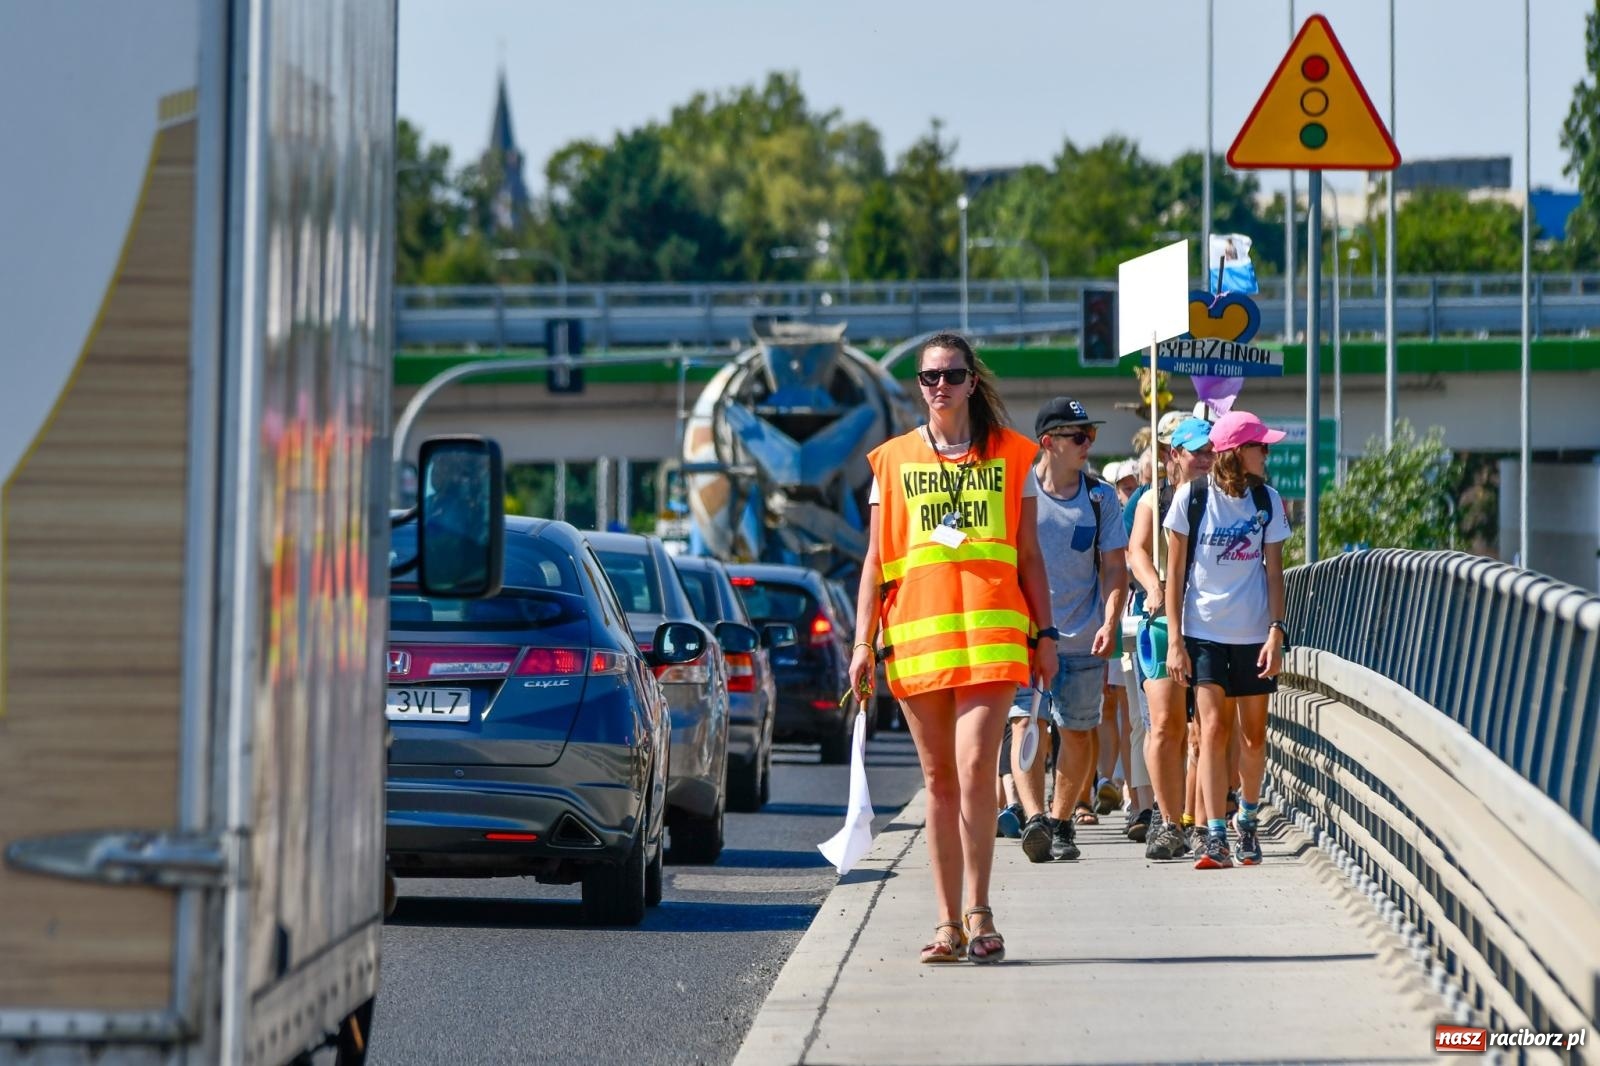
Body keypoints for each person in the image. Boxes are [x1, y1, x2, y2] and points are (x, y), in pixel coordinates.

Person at [849, 332, 1056, 964]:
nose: (939, 386)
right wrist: (862, 642)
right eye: (928, 377)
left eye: (952, 375)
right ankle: (945, 922)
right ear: (919, 386)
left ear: (972, 381)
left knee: (972, 771)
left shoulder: (1013, 455)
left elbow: (1028, 556)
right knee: (938, 779)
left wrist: (1045, 635)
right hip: (917, 643)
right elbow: (876, 563)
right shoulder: (893, 461)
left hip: (992, 640)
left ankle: (979, 909)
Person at [1165, 411, 1290, 870]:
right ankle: (1214, 835)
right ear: (1239, 452)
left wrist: (1277, 630)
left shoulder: (1268, 500)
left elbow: (1274, 571)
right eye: (1262, 447)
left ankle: (1249, 821)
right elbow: (1174, 573)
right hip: (1204, 630)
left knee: (1254, 738)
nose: (1268, 454)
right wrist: (1175, 640)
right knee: (1213, 730)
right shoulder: (1191, 497)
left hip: (1254, 632)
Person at [1005, 397, 1128, 863]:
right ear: (1047, 444)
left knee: (1076, 732)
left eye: (1090, 434)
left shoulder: (1098, 499)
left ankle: (1060, 822)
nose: (1088, 443)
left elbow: (1115, 568)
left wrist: (1111, 620)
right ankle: (1034, 817)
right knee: (1025, 720)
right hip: (1027, 636)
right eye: (1079, 436)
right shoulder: (1018, 494)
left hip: (1082, 637)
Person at [1127, 416, 1213, 859]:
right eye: (1195, 451)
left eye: (1209, 451)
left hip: (1208, 622)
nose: (1204, 459)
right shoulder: (1152, 499)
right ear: (1173, 455)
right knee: (1164, 725)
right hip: (1161, 622)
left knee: (1200, 732)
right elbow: (1136, 550)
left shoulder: (1221, 499)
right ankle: (1165, 816)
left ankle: (1195, 822)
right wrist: (1155, 587)